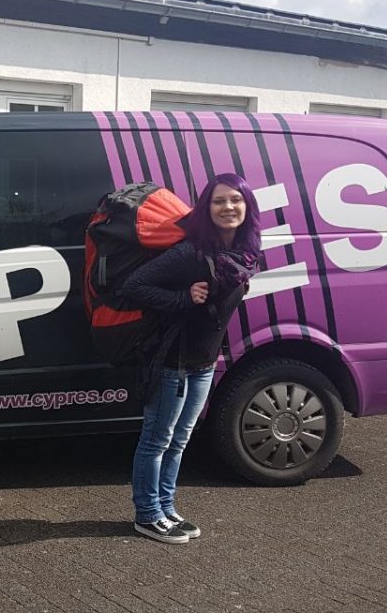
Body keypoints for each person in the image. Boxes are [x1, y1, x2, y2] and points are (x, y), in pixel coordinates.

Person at [121, 173, 263, 544]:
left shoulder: (243, 254)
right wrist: (183, 298)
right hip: (173, 361)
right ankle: (147, 514)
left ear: (247, 206)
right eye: (218, 201)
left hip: (203, 362)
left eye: (235, 199)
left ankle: (166, 507)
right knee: (157, 439)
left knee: (180, 439)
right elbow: (134, 286)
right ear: (206, 208)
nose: (228, 207)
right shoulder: (191, 253)